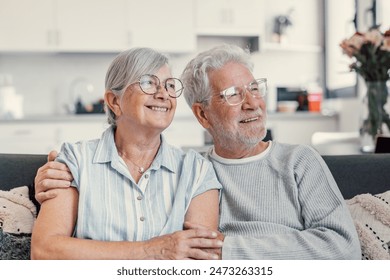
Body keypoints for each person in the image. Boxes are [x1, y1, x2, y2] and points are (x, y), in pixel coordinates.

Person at [34, 44, 362, 260]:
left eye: (254, 89)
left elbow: (343, 247)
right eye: (233, 94)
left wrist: (227, 249)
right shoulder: (196, 168)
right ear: (202, 115)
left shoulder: (297, 162)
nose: (253, 103)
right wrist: (54, 173)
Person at [31, 47, 223, 260]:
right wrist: (151, 250)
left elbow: (199, 261)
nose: (163, 94)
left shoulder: (197, 171)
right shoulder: (76, 160)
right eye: (148, 83)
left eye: (169, 85)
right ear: (114, 101)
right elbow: (44, 251)